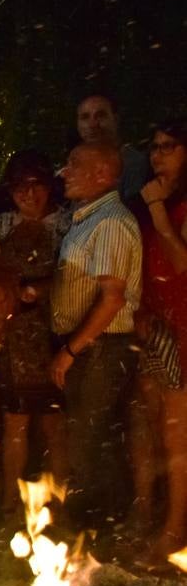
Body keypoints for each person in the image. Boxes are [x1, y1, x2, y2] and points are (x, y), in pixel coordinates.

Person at [49, 142, 142, 537]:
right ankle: (91, 533)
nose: (63, 171)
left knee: (92, 439)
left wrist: (71, 351)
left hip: (100, 348)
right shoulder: (87, 218)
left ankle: (99, 533)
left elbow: (112, 298)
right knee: (85, 436)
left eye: (73, 164)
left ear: (103, 174)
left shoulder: (111, 222)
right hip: (89, 347)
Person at [0, 152, 70, 516]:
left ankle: (59, 505)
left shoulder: (65, 225)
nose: (28, 193)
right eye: (20, 186)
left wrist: (39, 288)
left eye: (35, 185)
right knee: (15, 423)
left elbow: (75, 274)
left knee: (55, 425)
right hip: (14, 340)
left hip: (55, 333)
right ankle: (10, 503)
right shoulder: (3, 226)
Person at [126, 119, 187, 561]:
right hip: (153, 326)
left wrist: (162, 215)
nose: (158, 154)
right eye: (154, 146)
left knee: (176, 433)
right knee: (144, 423)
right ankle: (144, 512)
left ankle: (174, 529)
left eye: (169, 146)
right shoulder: (146, 201)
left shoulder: (171, 206)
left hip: (184, 329)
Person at [76, 93, 150, 204]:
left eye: (100, 116)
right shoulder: (81, 168)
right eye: (85, 117)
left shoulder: (133, 164)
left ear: (115, 120)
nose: (92, 124)